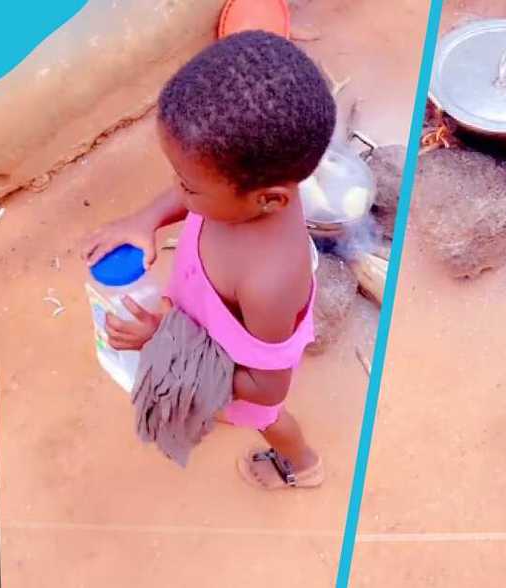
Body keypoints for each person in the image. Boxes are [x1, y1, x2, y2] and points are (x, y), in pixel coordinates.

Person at [81, 31, 336, 490]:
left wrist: (165, 343)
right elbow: (194, 189)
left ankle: (302, 465)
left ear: (268, 201)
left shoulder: (267, 283)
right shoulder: (245, 193)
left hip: (241, 376)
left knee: (270, 420)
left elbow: (267, 388)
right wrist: (146, 219)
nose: (180, 191)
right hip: (205, 335)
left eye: (189, 186)